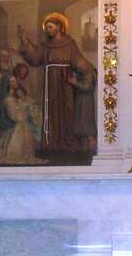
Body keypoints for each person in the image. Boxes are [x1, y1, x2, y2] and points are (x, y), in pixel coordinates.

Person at [18, 12, 97, 154]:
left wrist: (89, 69)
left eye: (50, 27)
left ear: (60, 27)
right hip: (50, 83)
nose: (48, 30)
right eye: (46, 28)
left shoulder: (69, 44)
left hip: (65, 83)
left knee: (67, 110)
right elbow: (35, 58)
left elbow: (78, 61)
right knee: (51, 110)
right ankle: (51, 142)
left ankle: (67, 141)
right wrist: (25, 42)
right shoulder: (45, 46)